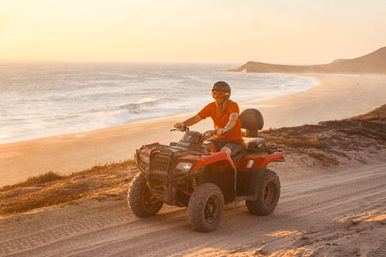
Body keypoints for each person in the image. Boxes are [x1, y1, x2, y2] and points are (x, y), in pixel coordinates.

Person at [174, 81, 243, 159]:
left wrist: (226, 128)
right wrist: (183, 124)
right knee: (200, 149)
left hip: (234, 142)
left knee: (224, 151)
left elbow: (233, 119)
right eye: (214, 94)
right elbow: (196, 118)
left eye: (219, 94)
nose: (216, 96)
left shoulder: (233, 105)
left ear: (226, 95)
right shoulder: (211, 106)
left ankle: (231, 171)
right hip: (217, 139)